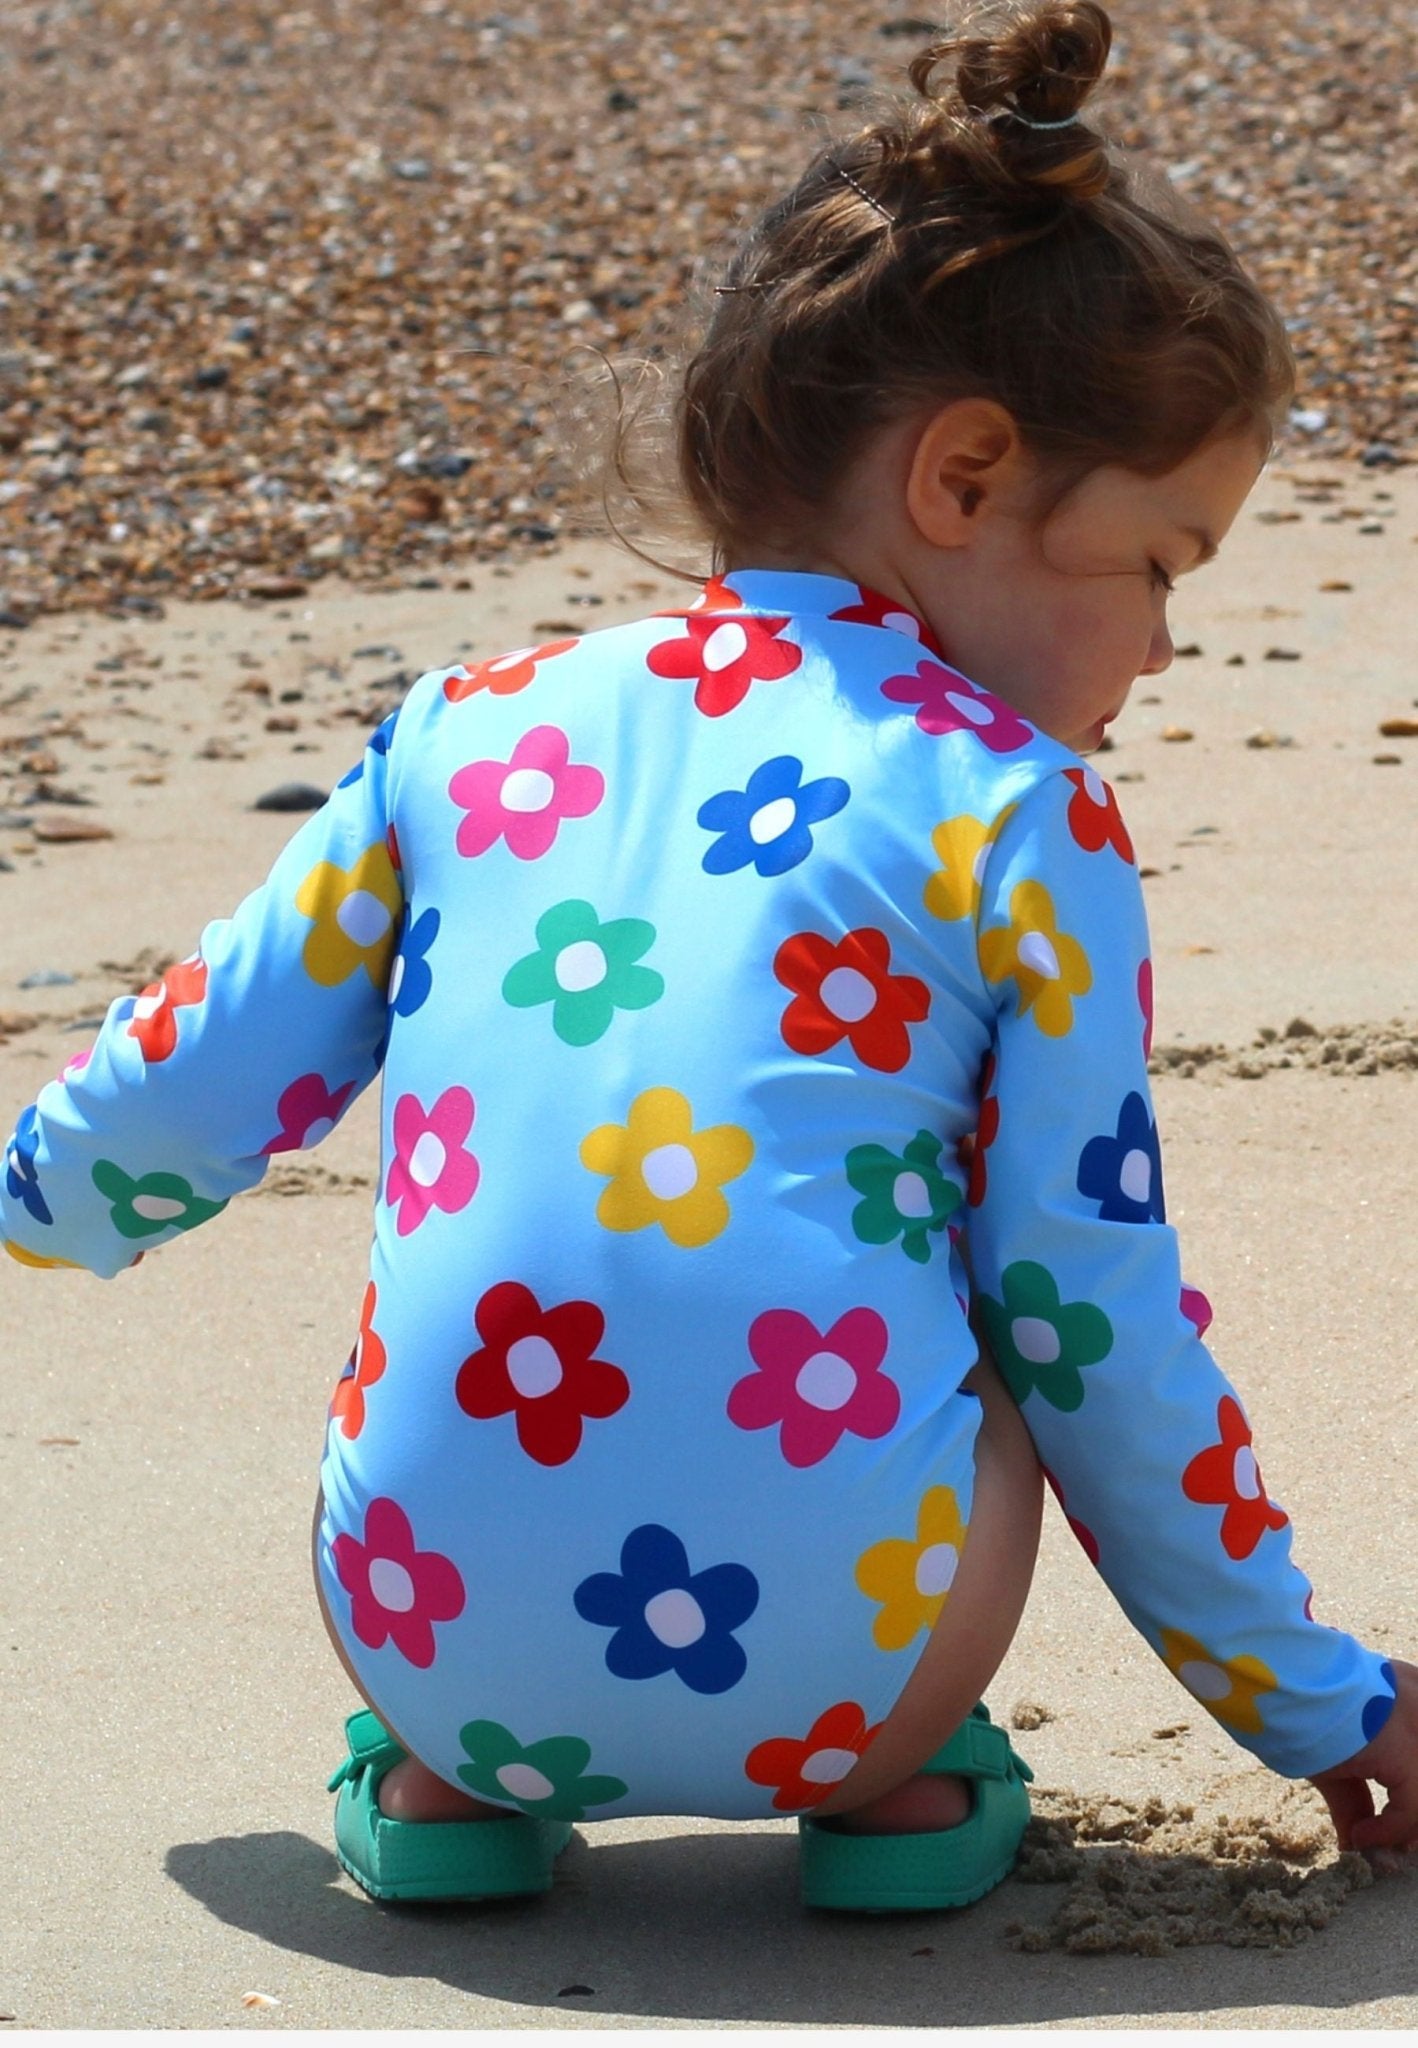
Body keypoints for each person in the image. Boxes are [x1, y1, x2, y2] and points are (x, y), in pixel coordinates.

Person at [4, 0, 1415, 1915]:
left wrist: (40, 1202)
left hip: (434, 1638)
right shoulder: (1016, 811)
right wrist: (1315, 1705)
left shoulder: (466, 729)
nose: (1163, 646)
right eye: (1159, 564)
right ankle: (896, 1790)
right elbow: (1089, 1319)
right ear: (964, 476)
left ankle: (447, 1785)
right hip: (851, 1688)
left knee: (488, 1303)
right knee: (995, 1300)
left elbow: (194, 1075)